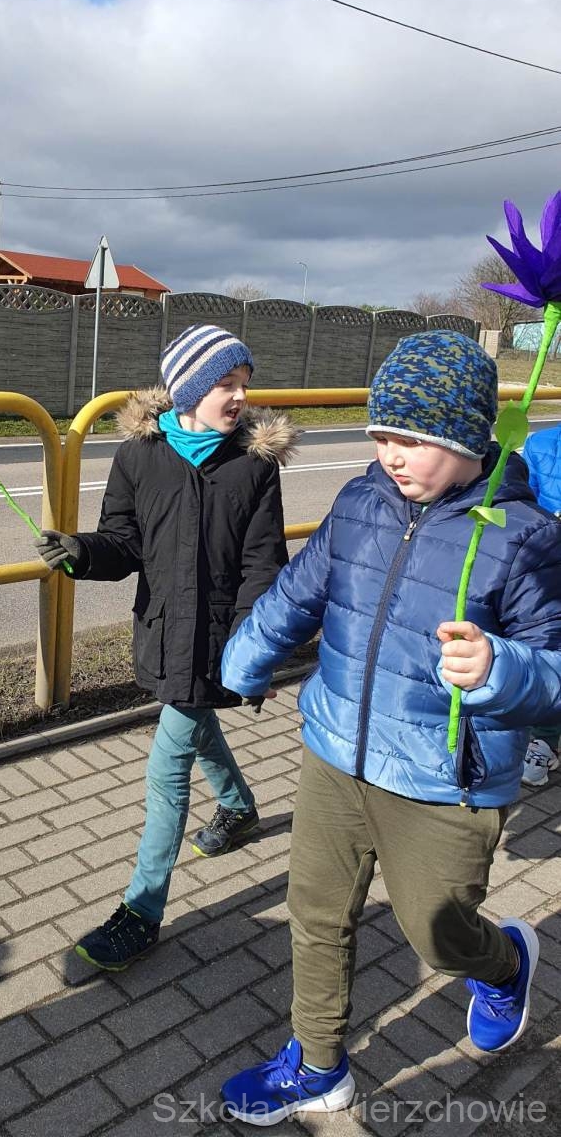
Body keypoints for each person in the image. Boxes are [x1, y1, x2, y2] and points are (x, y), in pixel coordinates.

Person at [216, 330, 561, 1126]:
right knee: (316, 915)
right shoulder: (359, 501)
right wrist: (248, 654)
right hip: (336, 751)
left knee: (437, 935)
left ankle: (504, 964)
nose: (391, 455)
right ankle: (318, 1065)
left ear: (468, 437)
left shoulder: (525, 537)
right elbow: (301, 590)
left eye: (413, 439)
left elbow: (553, 670)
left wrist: (500, 668)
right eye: (380, 434)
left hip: (445, 781)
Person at [35, 322, 298, 971]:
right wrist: (80, 552)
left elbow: (263, 564)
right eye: (225, 383)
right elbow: (123, 542)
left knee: (167, 767)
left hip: (221, 639)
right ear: (188, 389)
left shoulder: (253, 466)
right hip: (161, 630)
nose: (240, 397)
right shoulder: (138, 457)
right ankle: (238, 808)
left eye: (244, 383)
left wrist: (255, 646)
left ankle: (141, 911)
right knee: (195, 721)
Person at [520, 422, 561, 786]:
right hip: (550, 566)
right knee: (549, 647)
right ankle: (544, 741)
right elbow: (524, 504)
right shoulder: (542, 444)